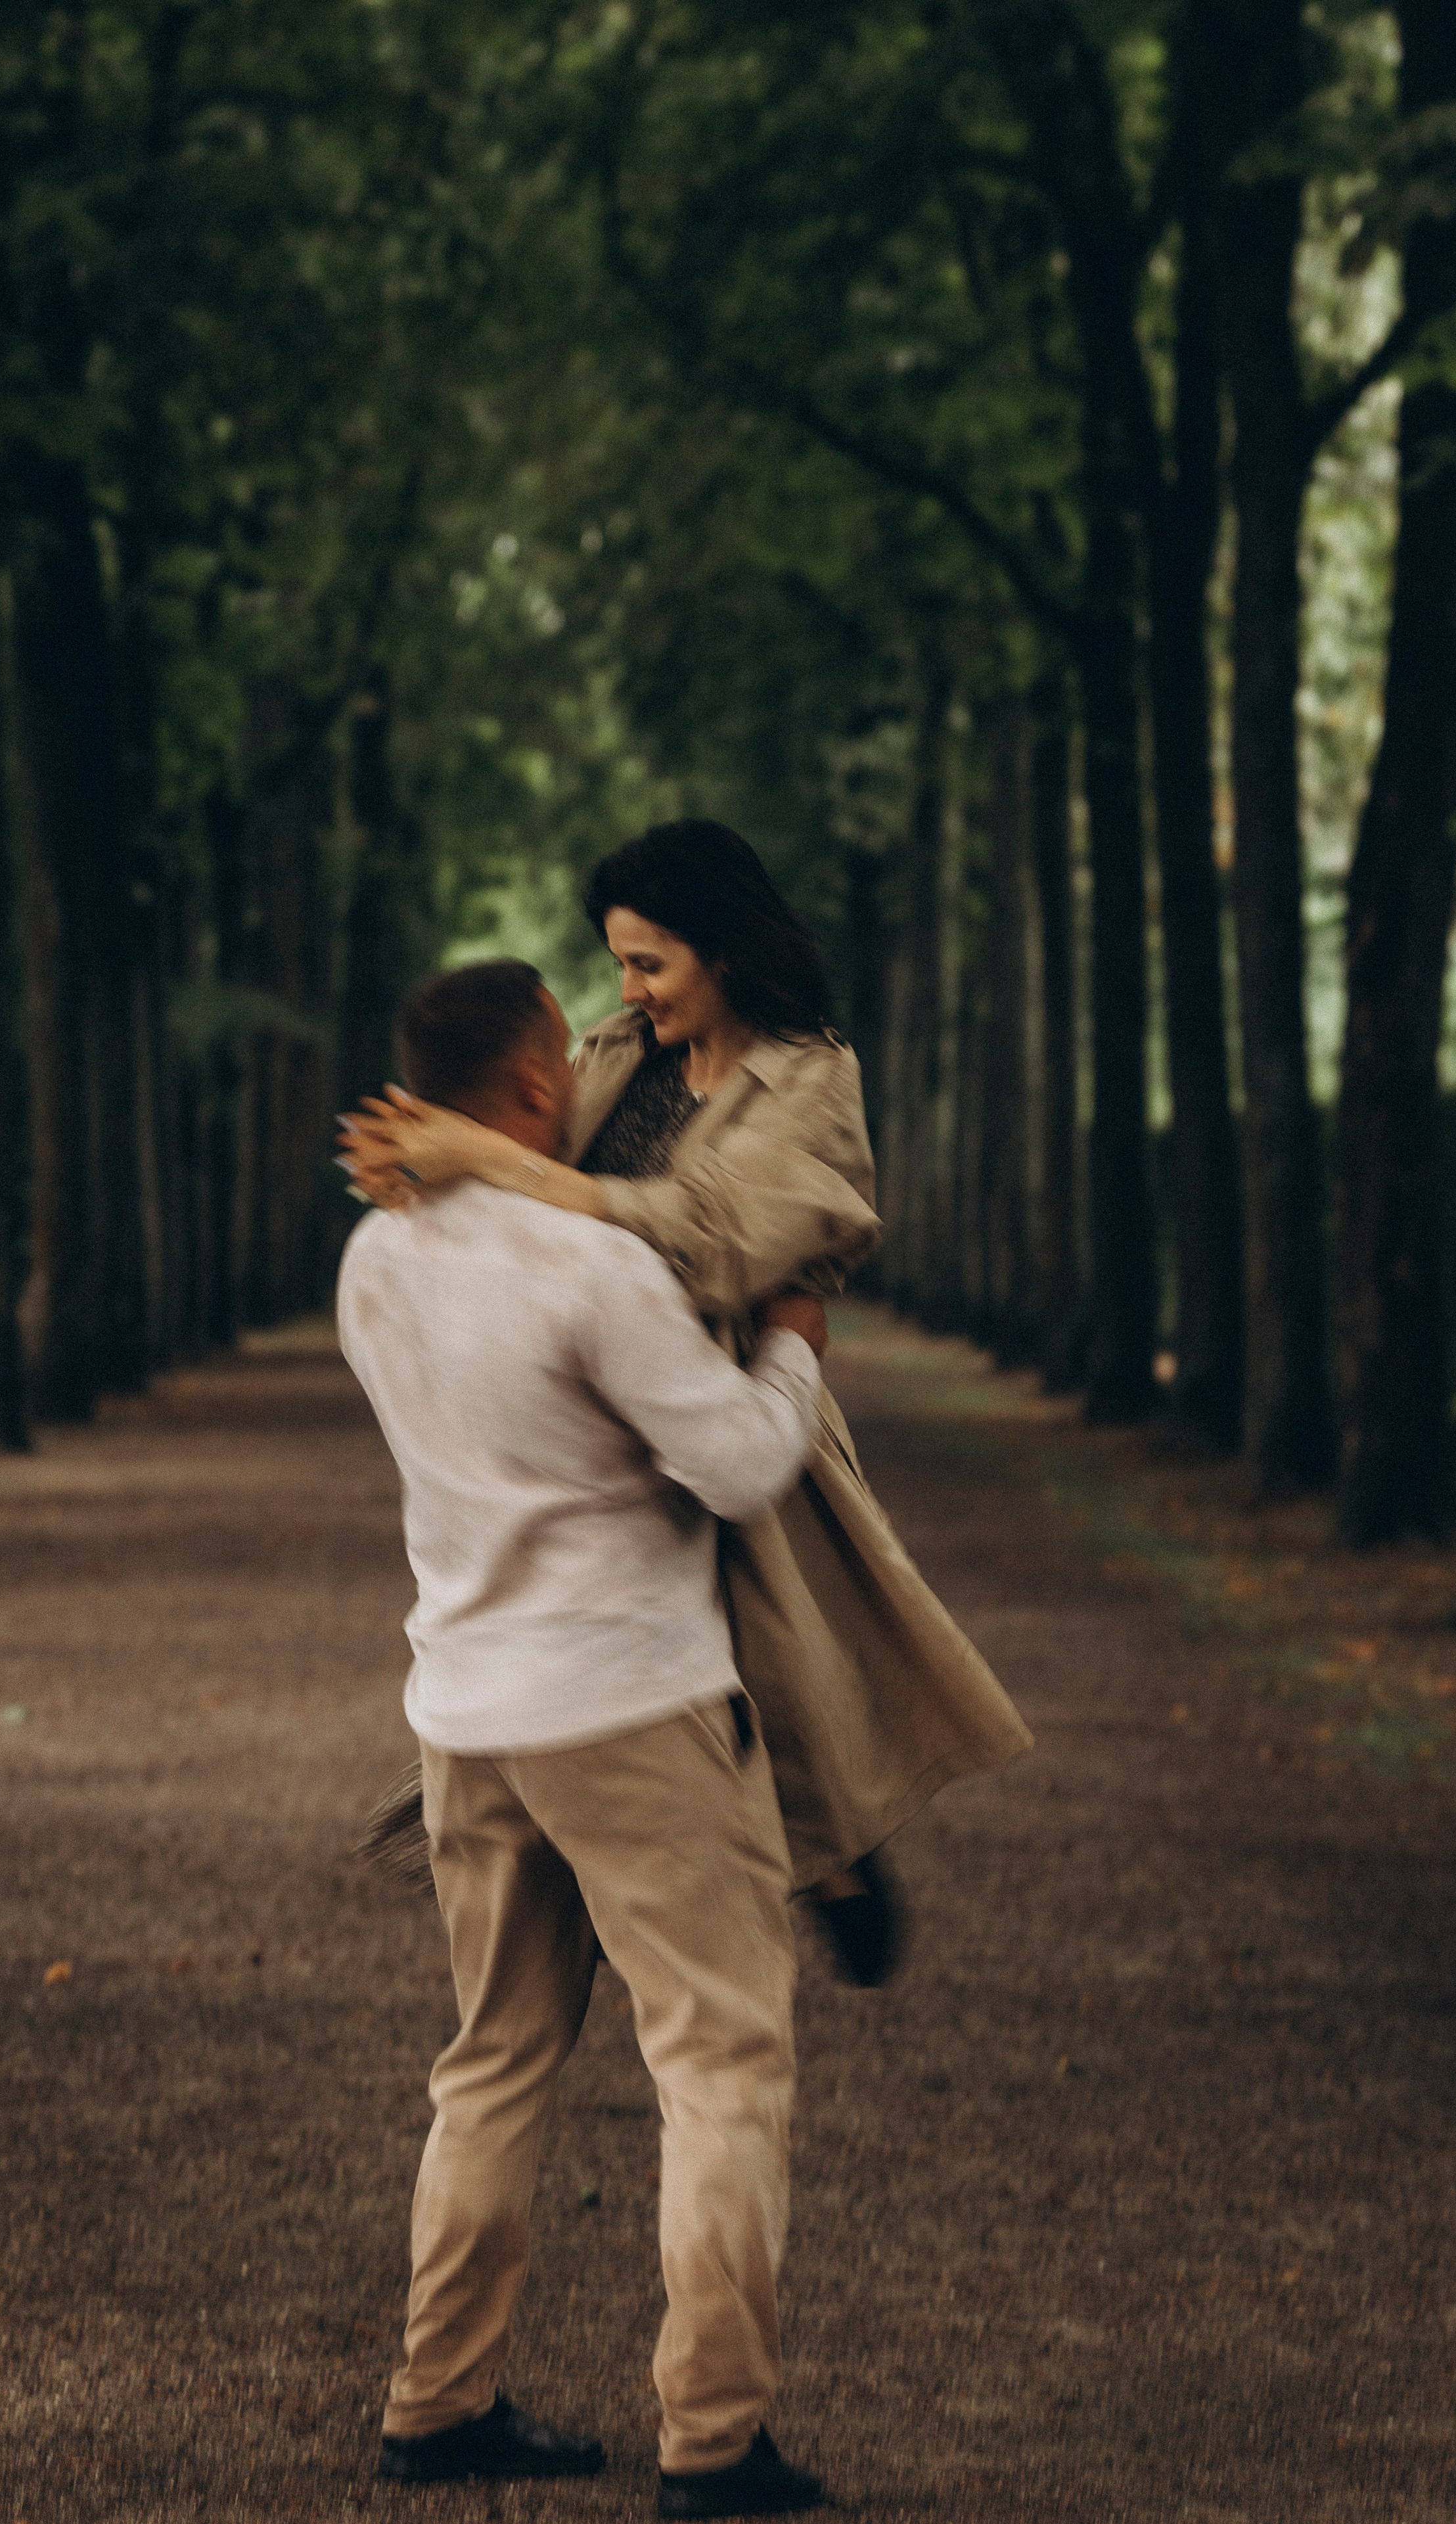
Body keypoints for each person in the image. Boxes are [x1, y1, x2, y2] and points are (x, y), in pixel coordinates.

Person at [340, 820, 1030, 1973]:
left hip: (730, 1400)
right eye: (618, 962)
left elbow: (716, 1236)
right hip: (603, 1396)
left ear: (724, 950)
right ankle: (618, 1869)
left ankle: (830, 1859)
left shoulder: (813, 1079)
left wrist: (495, 1162)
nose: (628, 988)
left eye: (650, 962)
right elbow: (522, 1135)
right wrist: (427, 1157)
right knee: (603, 1660)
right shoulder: (621, 1050)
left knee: (765, 1670)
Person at [337, 957, 827, 2517]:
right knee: (720, 2065)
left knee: (490, 2060)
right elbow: (745, 1465)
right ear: (541, 1086)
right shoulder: (587, 1267)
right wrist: (794, 1337)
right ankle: (712, 2438)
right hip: (628, 1708)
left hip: (463, 1714)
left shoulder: (372, 1260)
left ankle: (438, 2398)